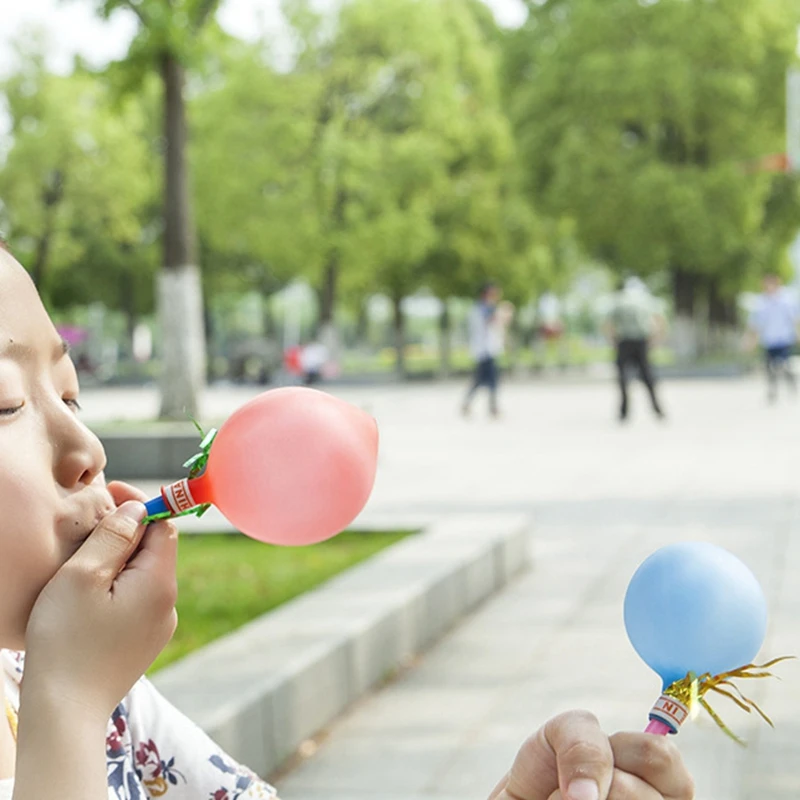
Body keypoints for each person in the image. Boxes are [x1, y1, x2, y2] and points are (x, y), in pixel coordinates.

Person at [0, 240, 693, 800]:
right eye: (6, 403)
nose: (86, 448)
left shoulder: (83, 686)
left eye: (71, 393)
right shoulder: (75, 686)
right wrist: (65, 705)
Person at [605, 277, 666, 422]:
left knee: (623, 378)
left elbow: (608, 323)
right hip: (641, 341)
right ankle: (657, 409)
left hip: (624, 342)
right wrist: (656, 339)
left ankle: (624, 412)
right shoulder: (647, 301)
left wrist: (613, 341)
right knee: (648, 377)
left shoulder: (619, 301)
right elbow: (659, 320)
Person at [745, 273, 799, 403]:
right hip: (769, 340)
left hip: (784, 338)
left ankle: (791, 380)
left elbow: (795, 319)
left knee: (783, 364)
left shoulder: (786, 300)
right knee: (769, 366)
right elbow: (755, 323)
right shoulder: (761, 302)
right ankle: (772, 391)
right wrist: (751, 341)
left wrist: (798, 334)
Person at [462, 282, 513, 418]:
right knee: (491, 379)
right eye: (493, 293)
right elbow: (492, 321)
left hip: (489, 350)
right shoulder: (481, 309)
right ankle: (492, 408)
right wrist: (503, 313)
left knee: (481, 380)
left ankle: (469, 404)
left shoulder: (486, 308)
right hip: (484, 350)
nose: (495, 296)